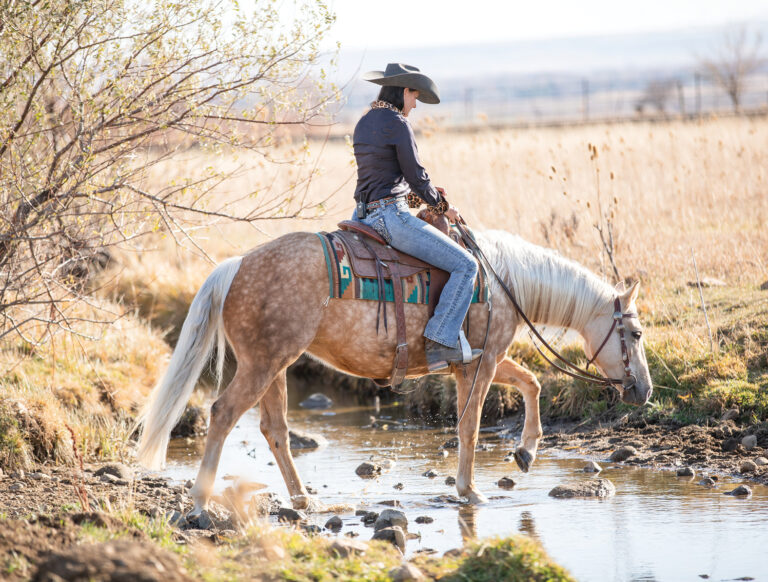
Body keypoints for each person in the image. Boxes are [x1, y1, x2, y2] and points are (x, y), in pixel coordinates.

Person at [352, 63, 482, 371]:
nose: (415, 105)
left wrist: (416, 198)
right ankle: (441, 340)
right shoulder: (397, 123)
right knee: (466, 265)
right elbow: (416, 176)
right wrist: (442, 206)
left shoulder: (363, 122)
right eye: (415, 98)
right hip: (389, 219)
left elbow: (381, 182)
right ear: (405, 90)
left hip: (362, 215)